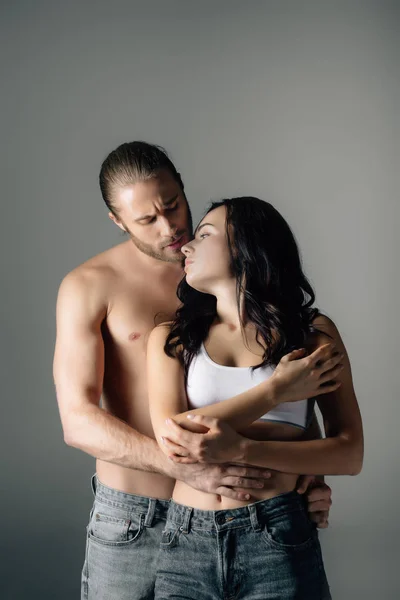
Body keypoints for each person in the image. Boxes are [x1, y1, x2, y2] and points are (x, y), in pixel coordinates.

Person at [53, 142, 339, 600]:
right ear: (118, 221)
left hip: (247, 512)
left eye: (173, 206)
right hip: (136, 516)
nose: (170, 227)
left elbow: (275, 371)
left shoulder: (218, 271)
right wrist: (181, 467)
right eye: (147, 220)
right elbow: (77, 420)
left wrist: (308, 470)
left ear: (183, 190)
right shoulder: (89, 286)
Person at [147, 197, 363, 599]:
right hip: (186, 540)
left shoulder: (313, 336)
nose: (187, 247)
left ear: (248, 246)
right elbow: (173, 437)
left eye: (205, 235)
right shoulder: (171, 339)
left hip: (277, 535)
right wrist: (275, 391)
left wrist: (243, 448)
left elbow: (349, 454)